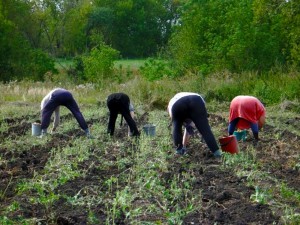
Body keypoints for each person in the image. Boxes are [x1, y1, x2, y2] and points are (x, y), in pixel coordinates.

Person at [167, 92, 222, 157]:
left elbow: (179, 125)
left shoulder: (171, 105)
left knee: (176, 127)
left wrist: (183, 146)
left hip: (177, 104)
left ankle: (179, 152)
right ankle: (217, 153)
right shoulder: (191, 96)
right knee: (205, 129)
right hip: (196, 100)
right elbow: (188, 127)